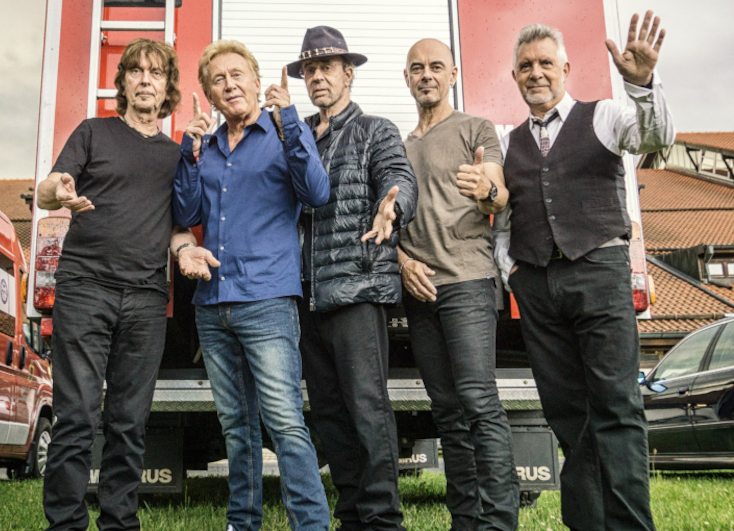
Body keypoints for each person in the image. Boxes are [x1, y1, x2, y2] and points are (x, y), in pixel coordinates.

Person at [493, 12, 674, 531]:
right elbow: (501, 222)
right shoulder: (507, 143)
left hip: (599, 273)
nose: (536, 73)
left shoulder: (605, 116)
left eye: (545, 63)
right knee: (567, 414)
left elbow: (656, 137)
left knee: (616, 408)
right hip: (537, 285)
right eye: (526, 66)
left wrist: (642, 84)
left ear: (565, 69)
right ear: (515, 76)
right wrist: (512, 272)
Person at [171, 40, 331, 531]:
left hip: (267, 302)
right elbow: (186, 213)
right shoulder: (208, 147)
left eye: (237, 74)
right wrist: (188, 156)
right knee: (237, 429)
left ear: (257, 83)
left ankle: (311, 525)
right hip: (212, 304)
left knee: (285, 424)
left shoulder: (283, 133)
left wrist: (292, 122)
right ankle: (242, 522)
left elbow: (316, 193)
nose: (229, 85)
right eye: (218, 80)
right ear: (210, 95)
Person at [37, 38, 182, 531]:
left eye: (156, 73)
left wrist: (185, 248)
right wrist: (58, 190)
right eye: (136, 71)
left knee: (129, 422)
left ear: (167, 87)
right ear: (123, 82)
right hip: (85, 288)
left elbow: (181, 224)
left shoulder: (176, 156)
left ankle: (120, 522)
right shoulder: (93, 132)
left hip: (146, 298)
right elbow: (48, 190)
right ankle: (66, 523)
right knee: (77, 415)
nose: (145, 80)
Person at [285, 26, 418, 531]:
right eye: (309, 69)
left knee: (367, 410)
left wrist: (392, 207)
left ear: (348, 74)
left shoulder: (375, 130)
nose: (317, 77)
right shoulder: (296, 135)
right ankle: (351, 517)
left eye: (327, 68)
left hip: (358, 290)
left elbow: (399, 178)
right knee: (329, 414)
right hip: (307, 296)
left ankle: (383, 519)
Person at [398, 38, 519, 531]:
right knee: (447, 412)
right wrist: (402, 262)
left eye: (435, 67)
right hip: (420, 290)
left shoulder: (476, 129)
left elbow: (497, 192)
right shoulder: (400, 147)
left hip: (467, 282)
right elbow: (390, 222)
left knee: (479, 403)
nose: (426, 75)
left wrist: (487, 190)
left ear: (452, 74)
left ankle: (499, 522)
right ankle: (465, 522)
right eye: (417, 68)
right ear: (407, 78)